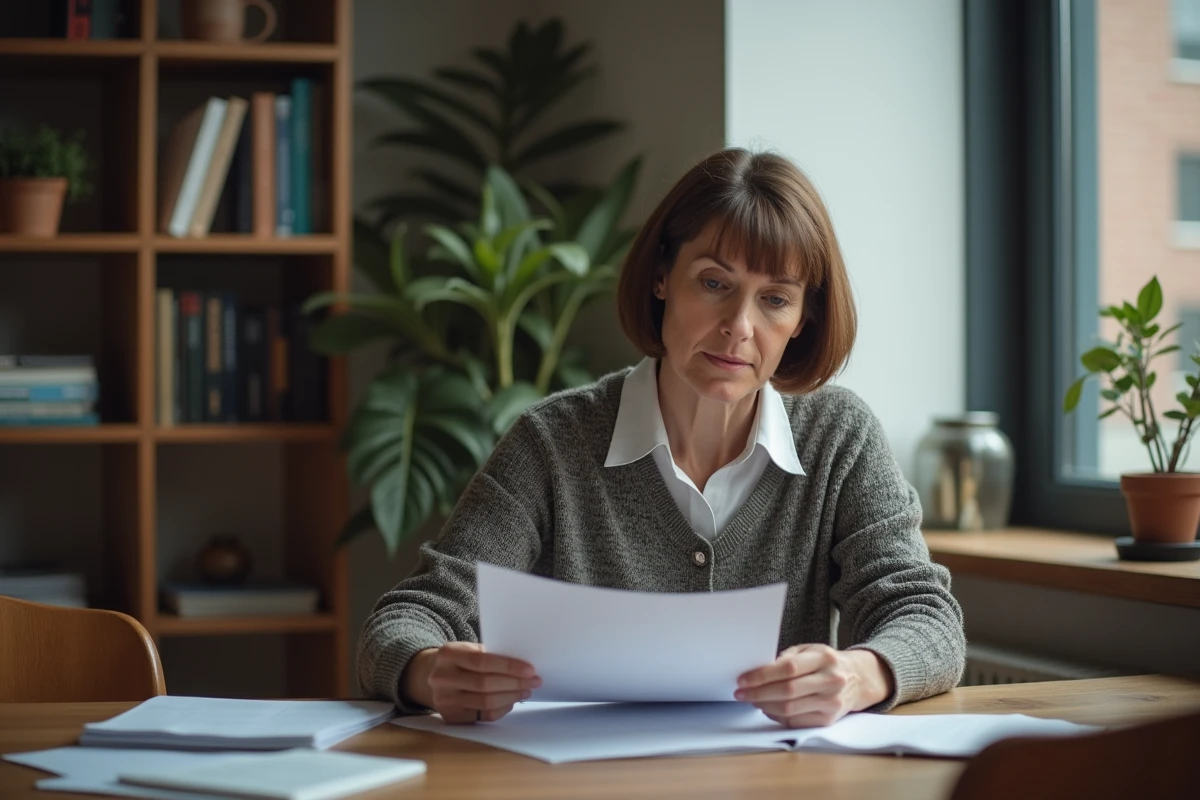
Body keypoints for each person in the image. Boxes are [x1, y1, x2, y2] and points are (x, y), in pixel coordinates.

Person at [357, 147, 966, 728]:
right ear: (661, 278)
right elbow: (408, 618)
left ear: (802, 319)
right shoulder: (552, 441)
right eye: (713, 283)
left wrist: (860, 674)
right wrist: (428, 671)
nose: (739, 328)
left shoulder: (839, 437)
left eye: (775, 299)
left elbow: (925, 617)